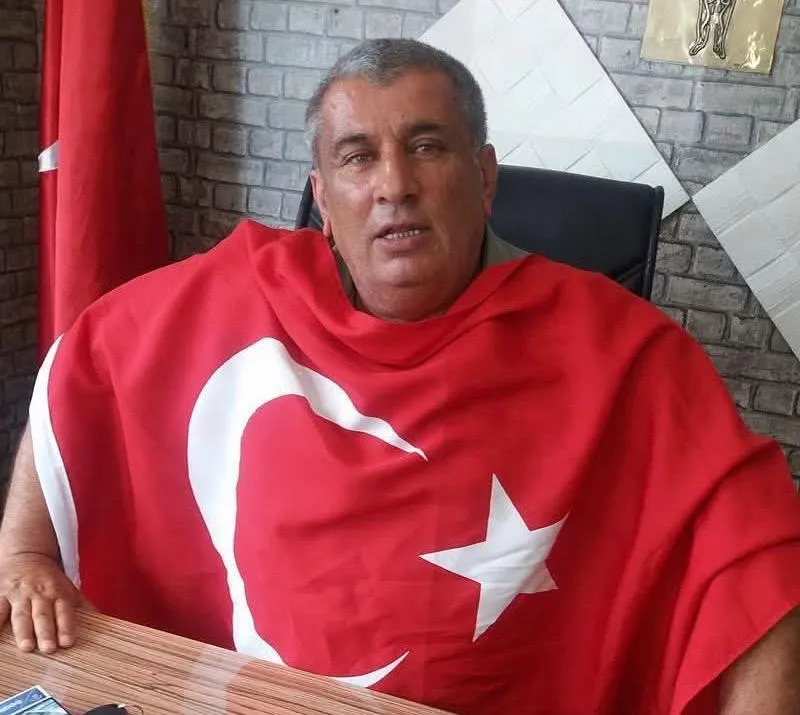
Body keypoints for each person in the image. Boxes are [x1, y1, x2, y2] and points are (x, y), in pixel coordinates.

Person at [1, 37, 799, 715]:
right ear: (322, 197)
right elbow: (84, 369)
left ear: (484, 177)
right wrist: (25, 552)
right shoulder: (243, 291)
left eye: (426, 146)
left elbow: (763, 568)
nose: (394, 185)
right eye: (358, 157)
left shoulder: (622, 350)